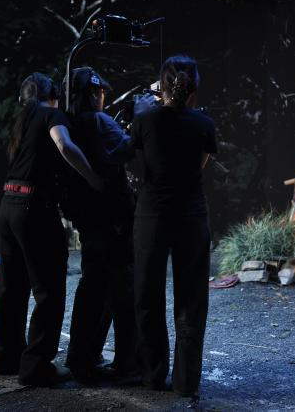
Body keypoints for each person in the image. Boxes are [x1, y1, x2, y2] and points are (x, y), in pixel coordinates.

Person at [0, 72, 102, 386]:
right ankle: (36, 365)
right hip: (34, 209)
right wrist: (93, 178)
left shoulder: (21, 122)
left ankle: (6, 358)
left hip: (8, 204)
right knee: (49, 289)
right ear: (51, 96)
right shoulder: (50, 114)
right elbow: (64, 145)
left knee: (11, 286)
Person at [131, 55, 217, 399]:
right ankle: (186, 382)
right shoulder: (204, 123)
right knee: (191, 300)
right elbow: (200, 164)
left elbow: (136, 162)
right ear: (194, 87)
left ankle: (153, 375)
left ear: (161, 85)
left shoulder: (145, 119)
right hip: (191, 215)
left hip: (152, 215)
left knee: (147, 296)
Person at [62, 67, 152, 382]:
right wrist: (141, 119)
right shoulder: (99, 121)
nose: (103, 97)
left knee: (92, 287)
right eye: (101, 92)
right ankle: (129, 362)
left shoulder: (68, 124)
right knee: (123, 289)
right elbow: (126, 151)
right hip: (112, 217)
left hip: (88, 216)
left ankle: (81, 358)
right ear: (92, 92)